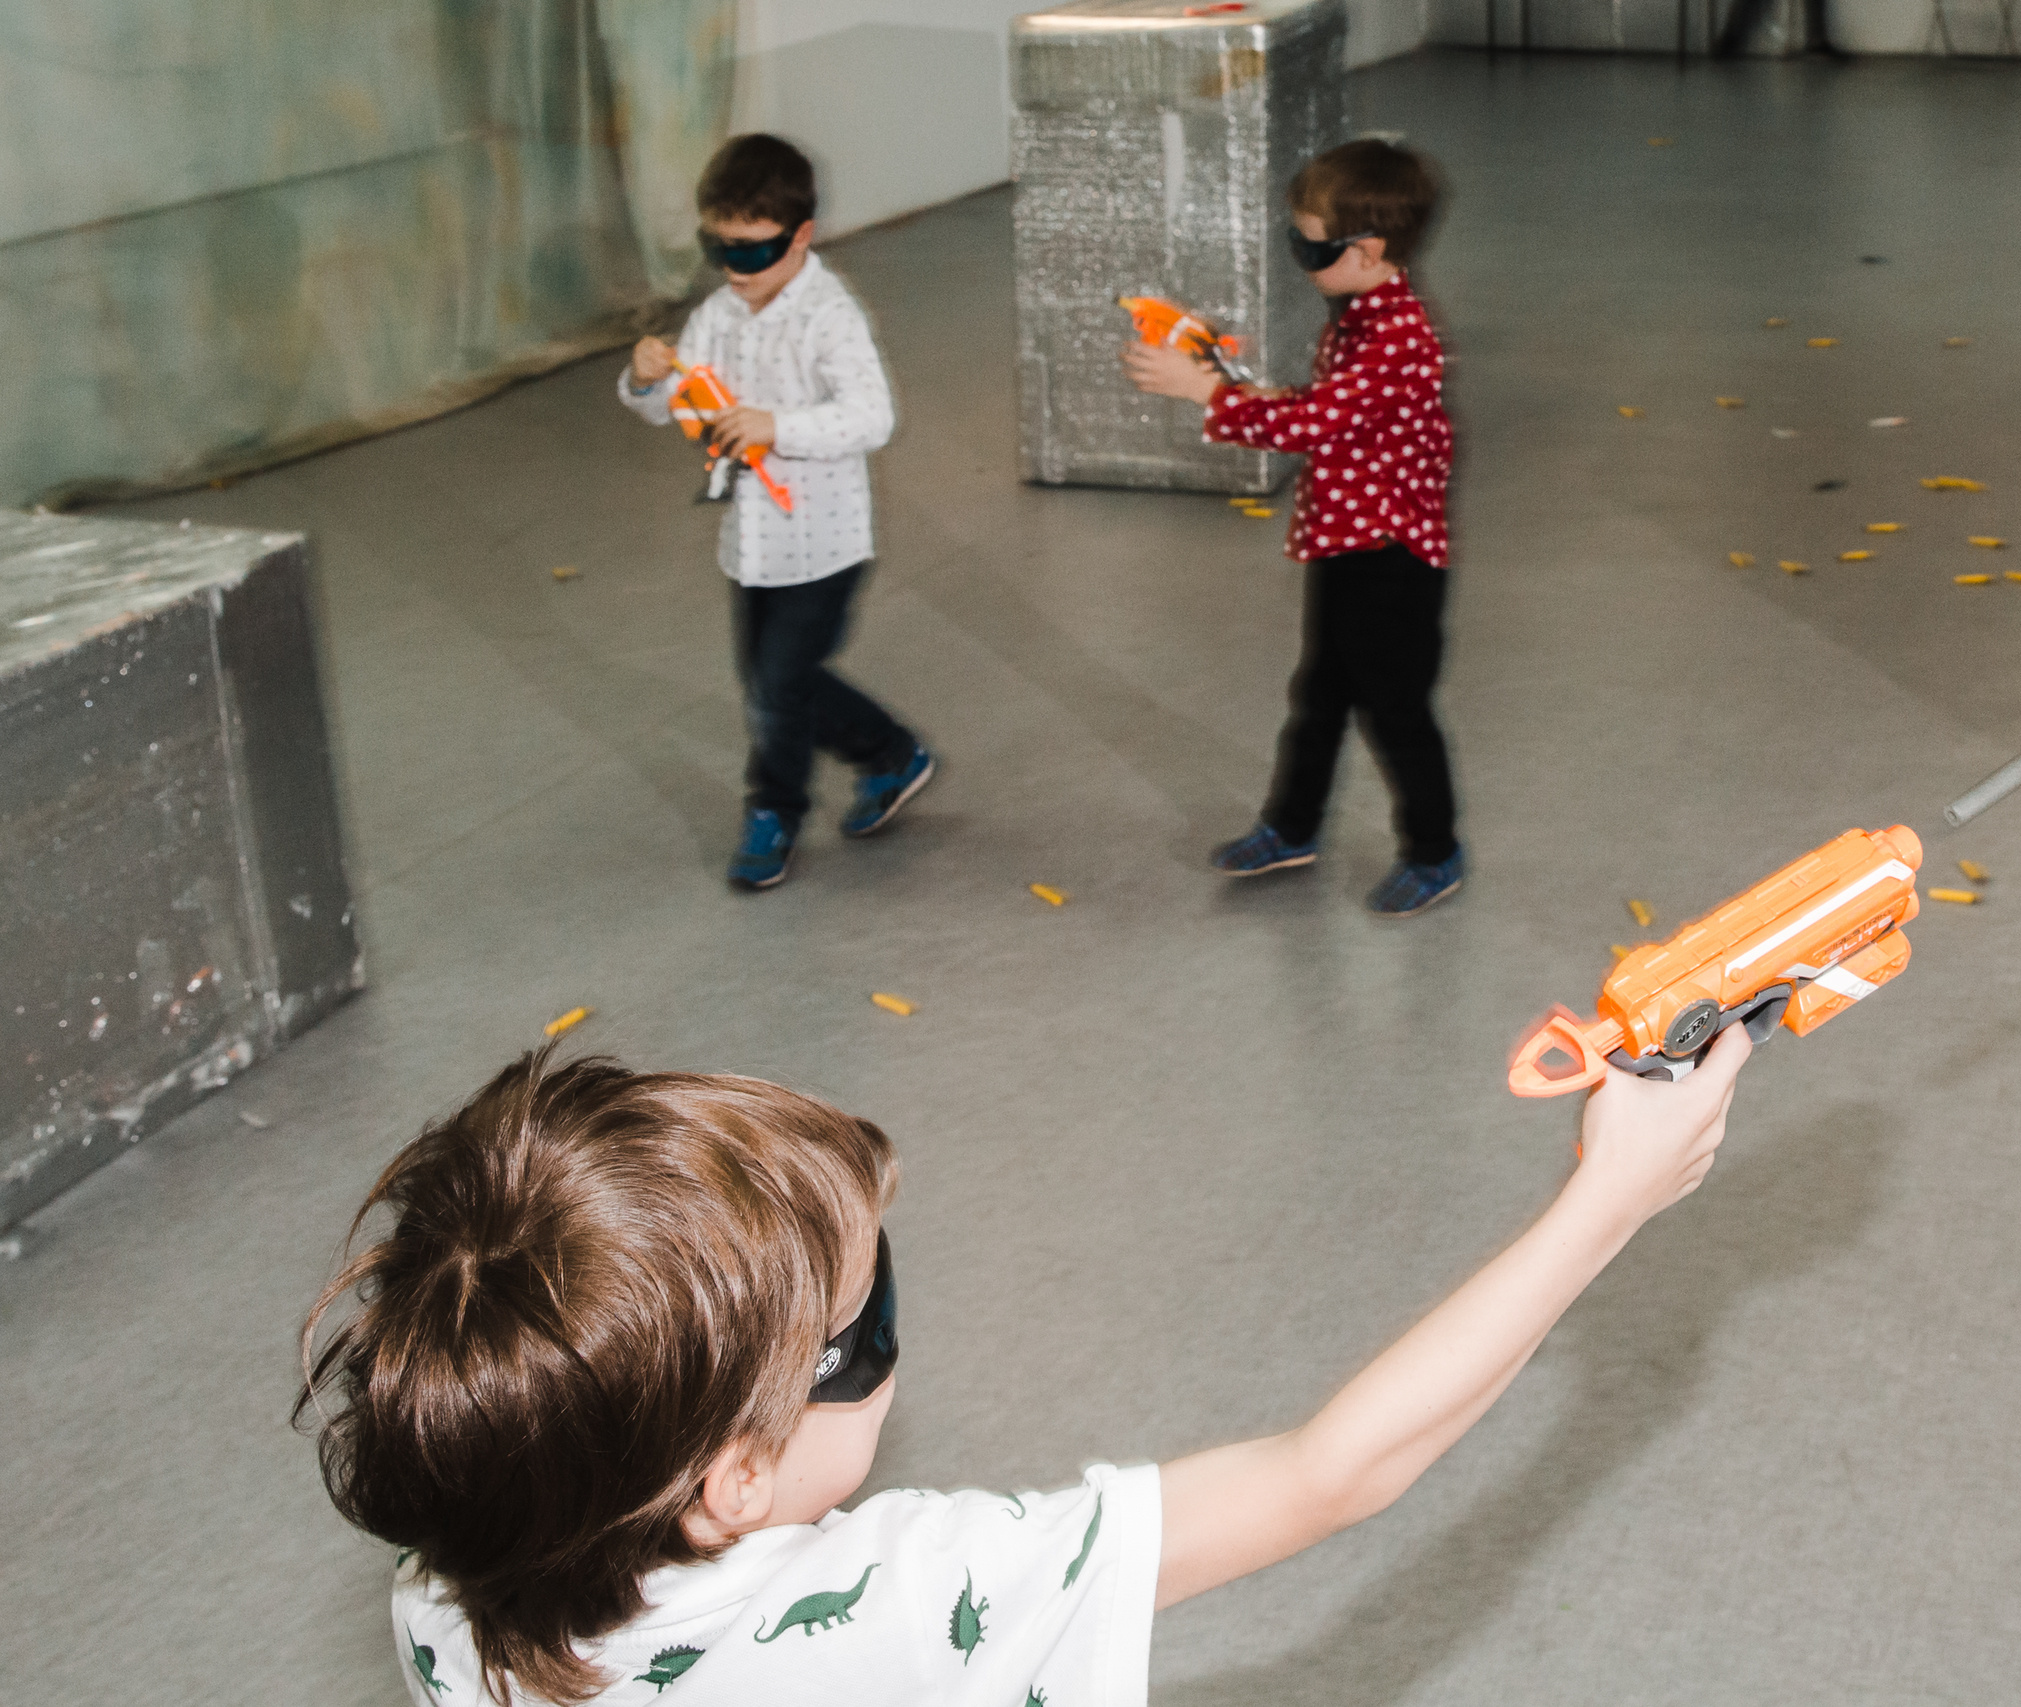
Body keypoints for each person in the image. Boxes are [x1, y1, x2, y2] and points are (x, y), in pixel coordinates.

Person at [298, 1027, 1754, 1706]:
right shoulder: (908, 1598)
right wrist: (1602, 1205)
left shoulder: (450, 1571)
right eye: (863, 1326)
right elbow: (1328, 1470)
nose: (890, 1344)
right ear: (736, 1468)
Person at [1124, 140, 1463, 918]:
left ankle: (1434, 849)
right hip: (1347, 545)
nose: (1298, 253)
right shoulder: (1358, 312)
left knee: (1396, 709)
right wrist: (1241, 383)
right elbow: (1328, 407)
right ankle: (1292, 825)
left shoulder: (1399, 335)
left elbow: (1315, 421)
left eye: (1309, 242)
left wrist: (1207, 392)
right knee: (1319, 694)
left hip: (1393, 561)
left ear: (1367, 250)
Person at [620, 134, 935, 892]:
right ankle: (890, 753)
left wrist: (778, 426)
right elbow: (672, 408)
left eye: (753, 251)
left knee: (779, 682)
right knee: (769, 679)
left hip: (826, 543)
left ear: (801, 237)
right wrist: (643, 381)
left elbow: (872, 416)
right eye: (715, 246)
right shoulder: (716, 315)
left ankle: (774, 810)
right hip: (751, 542)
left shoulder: (830, 316)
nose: (734, 267)